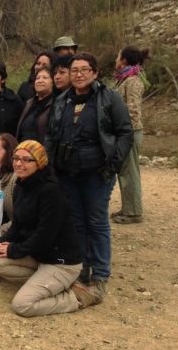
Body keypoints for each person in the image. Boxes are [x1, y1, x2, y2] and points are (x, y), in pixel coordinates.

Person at [45, 53, 133, 300]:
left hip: (97, 172)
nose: (79, 74)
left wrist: (113, 163)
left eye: (85, 69)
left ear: (95, 73)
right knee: (77, 222)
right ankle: (81, 270)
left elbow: (125, 132)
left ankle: (101, 274)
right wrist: (51, 165)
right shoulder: (63, 100)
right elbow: (52, 134)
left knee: (97, 222)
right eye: (74, 70)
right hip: (67, 172)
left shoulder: (108, 99)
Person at [0, 141, 101, 317]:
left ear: (39, 163)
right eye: (16, 158)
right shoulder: (21, 187)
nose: (18, 163)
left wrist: (13, 249)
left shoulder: (51, 191)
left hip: (61, 262)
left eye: (26, 160)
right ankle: (49, 284)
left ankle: (77, 297)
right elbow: (17, 226)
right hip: (39, 256)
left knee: (22, 305)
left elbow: (44, 236)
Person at [112, 46, 149, 224]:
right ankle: (128, 208)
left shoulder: (133, 80)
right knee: (125, 171)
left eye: (118, 57)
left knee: (130, 171)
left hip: (130, 132)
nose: (116, 60)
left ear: (124, 60)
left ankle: (133, 212)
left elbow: (133, 109)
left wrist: (124, 130)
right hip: (126, 132)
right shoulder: (125, 79)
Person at [16, 66, 54, 144]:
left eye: (45, 78)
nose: (40, 80)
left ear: (53, 82)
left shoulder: (56, 104)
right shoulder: (29, 103)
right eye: (37, 78)